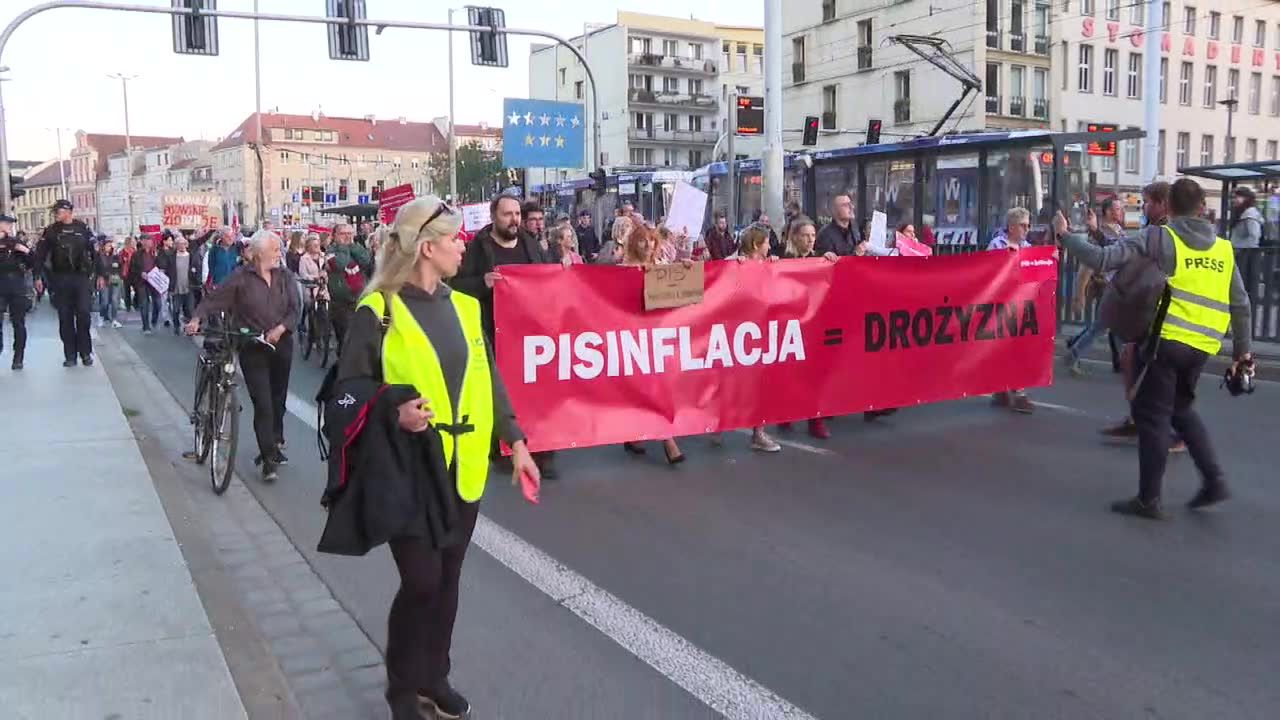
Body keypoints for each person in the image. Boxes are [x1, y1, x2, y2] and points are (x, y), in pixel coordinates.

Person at [322, 196, 538, 720]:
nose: (462, 247)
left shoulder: (464, 307)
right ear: (426, 248)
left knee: (449, 577)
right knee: (421, 579)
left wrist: (518, 442)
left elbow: (489, 379)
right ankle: (402, 689)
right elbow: (345, 394)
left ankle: (434, 677)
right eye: (452, 239)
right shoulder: (379, 311)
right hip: (409, 467)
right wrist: (393, 412)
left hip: (463, 466)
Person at [1054, 178, 1253, 520]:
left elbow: (1103, 259)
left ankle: (1149, 500)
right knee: (1181, 409)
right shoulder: (1223, 249)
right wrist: (1242, 355)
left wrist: (1065, 235)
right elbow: (1241, 304)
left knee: (1151, 416)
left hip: (1166, 341)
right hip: (1203, 345)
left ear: (1170, 207)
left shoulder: (1160, 237)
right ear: (1202, 208)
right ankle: (1214, 480)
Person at [453, 194, 556, 477]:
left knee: (537, 391)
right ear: (493, 217)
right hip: (494, 331)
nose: (514, 220)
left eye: (517, 214)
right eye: (507, 214)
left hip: (531, 332)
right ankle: (502, 447)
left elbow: (548, 278)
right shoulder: (479, 248)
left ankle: (541, 451)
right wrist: (482, 283)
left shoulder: (531, 245)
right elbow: (456, 285)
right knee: (500, 391)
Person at [186, 231, 298, 482]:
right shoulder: (241, 278)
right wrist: (196, 318)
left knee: (278, 400)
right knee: (263, 402)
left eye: (279, 250)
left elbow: (294, 309)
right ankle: (268, 459)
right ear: (259, 255)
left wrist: (280, 329)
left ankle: (274, 443)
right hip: (252, 345)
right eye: (275, 251)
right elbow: (215, 299)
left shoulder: (284, 276)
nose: (279, 255)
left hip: (282, 345)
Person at [1102, 182, 1173, 440]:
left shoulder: (1165, 231)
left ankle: (1172, 431)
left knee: (1155, 369)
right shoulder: (1154, 228)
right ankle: (1137, 417)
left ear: (1163, 203)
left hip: (1158, 307)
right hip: (1145, 303)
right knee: (1131, 358)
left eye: (1149, 203)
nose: (1145, 207)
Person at [616, 225, 686, 464]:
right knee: (646, 387)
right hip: (633, 337)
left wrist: (685, 271)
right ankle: (668, 439)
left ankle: (637, 435)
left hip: (658, 337)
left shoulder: (661, 268)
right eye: (643, 242)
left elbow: (680, 291)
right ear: (633, 244)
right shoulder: (622, 270)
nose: (648, 246)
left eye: (652, 241)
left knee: (656, 387)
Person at [778, 216, 838, 439]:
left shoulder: (819, 259)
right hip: (788, 324)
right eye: (805, 236)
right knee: (789, 372)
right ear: (795, 237)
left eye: (813, 236)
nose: (811, 240)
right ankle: (785, 411)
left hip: (812, 324)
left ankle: (816, 419)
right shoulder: (783, 257)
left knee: (814, 374)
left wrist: (832, 260)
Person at [730, 224, 783, 452]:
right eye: (766, 242)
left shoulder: (767, 265)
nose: (770, 246)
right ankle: (718, 424)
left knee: (760, 383)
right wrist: (735, 267)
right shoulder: (734, 263)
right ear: (755, 245)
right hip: (737, 332)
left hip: (760, 332)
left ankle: (758, 432)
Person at [1065, 198, 1127, 375]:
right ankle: (1075, 353)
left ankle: (1120, 360)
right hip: (1104, 285)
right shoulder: (1101, 233)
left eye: (1122, 207)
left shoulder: (1119, 230)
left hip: (1115, 285)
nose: (1121, 210)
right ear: (1108, 212)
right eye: (1117, 208)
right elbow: (1088, 264)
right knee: (1102, 325)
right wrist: (1080, 294)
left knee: (1111, 324)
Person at [37, 199, 98, 366]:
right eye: (55, 211)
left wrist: (100, 274)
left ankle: (85, 352)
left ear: (69, 211)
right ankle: (70, 355)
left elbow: (94, 252)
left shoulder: (82, 228)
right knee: (65, 317)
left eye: (59, 210)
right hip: (60, 278)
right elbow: (40, 255)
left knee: (84, 314)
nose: (56, 214)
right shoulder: (51, 231)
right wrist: (37, 276)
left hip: (81, 277)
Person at [987, 207, 1035, 414]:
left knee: (1018, 346)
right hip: (1001, 303)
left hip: (1022, 302)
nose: (1027, 229)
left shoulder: (1028, 246)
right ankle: (1006, 388)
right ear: (1012, 227)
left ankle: (1017, 390)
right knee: (1003, 347)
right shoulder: (996, 245)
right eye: (1023, 225)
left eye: (1028, 225)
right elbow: (990, 270)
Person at [325, 223, 373, 355]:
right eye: (343, 234)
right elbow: (340, 264)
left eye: (350, 234)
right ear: (335, 236)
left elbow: (366, 259)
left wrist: (352, 246)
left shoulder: (356, 248)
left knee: (360, 335)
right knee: (345, 336)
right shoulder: (331, 251)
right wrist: (343, 247)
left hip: (359, 298)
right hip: (341, 301)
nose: (347, 237)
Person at [0, 213, 35, 370]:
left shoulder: (16, 243)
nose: (9, 227)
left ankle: (18, 356)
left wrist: (26, 252)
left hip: (16, 284)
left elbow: (34, 260)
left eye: (10, 224)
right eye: (6, 224)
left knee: (18, 322)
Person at [1228, 186, 1264, 299]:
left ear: (1246, 198)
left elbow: (1254, 236)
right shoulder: (1243, 213)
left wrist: (1242, 249)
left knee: (1243, 282)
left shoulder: (1249, 214)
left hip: (1245, 254)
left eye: (1238, 197)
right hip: (1240, 252)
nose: (1235, 200)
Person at [130, 235, 162, 335]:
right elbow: (132, 268)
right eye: (146, 241)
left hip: (154, 282)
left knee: (158, 303)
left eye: (150, 241)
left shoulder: (155, 253)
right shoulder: (136, 254)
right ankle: (146, 326)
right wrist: (141, 273)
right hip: (142, 282)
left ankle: (154, 319)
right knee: (144, 304)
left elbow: (162, 264)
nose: (148, 243)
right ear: (143, 242)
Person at [166, 236, 197, 335]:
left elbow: (196, 269)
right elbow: (167, 272)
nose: (182, 246)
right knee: (175, 309)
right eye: (179, 244)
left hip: (189, 287)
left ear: (186, 245)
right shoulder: (171, 257)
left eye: (184, 244)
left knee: (189, 309)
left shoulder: (191, 256)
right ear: (176, 246)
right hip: (176, 288)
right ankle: (176, 326)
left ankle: (188, 328)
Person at [96, 237, 125, 329]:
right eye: (107, 245)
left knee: (114, 300)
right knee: (104, 301)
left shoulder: (115, 256)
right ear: (103, 246)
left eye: (110, 245)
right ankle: (102, 316)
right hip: (104, 279)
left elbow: (120, 266)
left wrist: (117, 257)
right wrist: (99, 278)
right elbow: (96, 268)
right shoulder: (99, 256)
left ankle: (114, 319)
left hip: (115, 279)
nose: (110, 247)